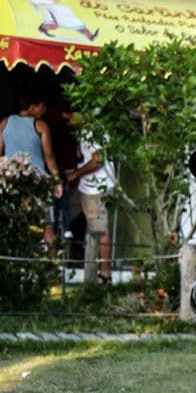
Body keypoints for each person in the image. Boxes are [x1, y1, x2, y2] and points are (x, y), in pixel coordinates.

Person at [0, 93, 63, 245]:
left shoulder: (4, 123)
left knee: (14, 225)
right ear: (32, 106)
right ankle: (51, 265)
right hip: (38, 184)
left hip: (12, 184)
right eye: (42, 106)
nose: (44, 110)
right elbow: (49, 157)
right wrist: (57, 180)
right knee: (46, 226)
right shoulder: (40, 125)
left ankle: (16, 265)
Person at [66, 120, 115, 284]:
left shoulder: (91, 131)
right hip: (88, 188)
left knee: (100, 232)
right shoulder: (93, 129)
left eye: (68, 116)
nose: (66, 119)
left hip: (96, 188)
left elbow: (98, 159)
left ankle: (105, 275)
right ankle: (93, 275)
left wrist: (75, 174)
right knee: (93, 231)